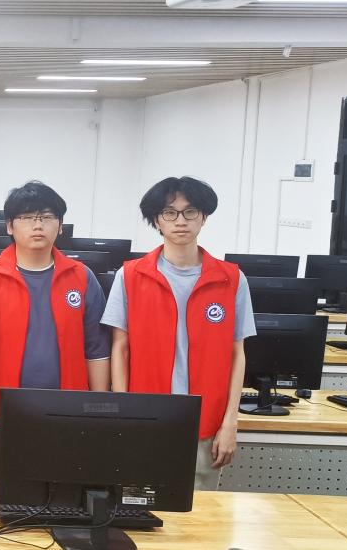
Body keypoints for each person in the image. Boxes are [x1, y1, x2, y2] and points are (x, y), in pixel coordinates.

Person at [102, 176, 256, 491]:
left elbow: (236, 353)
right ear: (157, 220)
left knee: (200, 514)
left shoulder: (231, 279)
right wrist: (123, 414)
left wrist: (231, 421)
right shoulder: (130, 276)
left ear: (204, 217)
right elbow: (120, 349)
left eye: (190, 212)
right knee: (139, 506)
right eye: (170, 213)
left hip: (206, 422)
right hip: (145, 420)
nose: (180, 221)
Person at [0, 181, 111, 477]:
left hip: (69, 414)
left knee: (65, 492)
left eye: (46, 217)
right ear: (10, 226)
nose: (38, 225)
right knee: (7, 495)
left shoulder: (82, 278)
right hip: (4, 415)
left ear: (60, 225)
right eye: (27, 217)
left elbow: (96, 352)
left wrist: (97, 414)